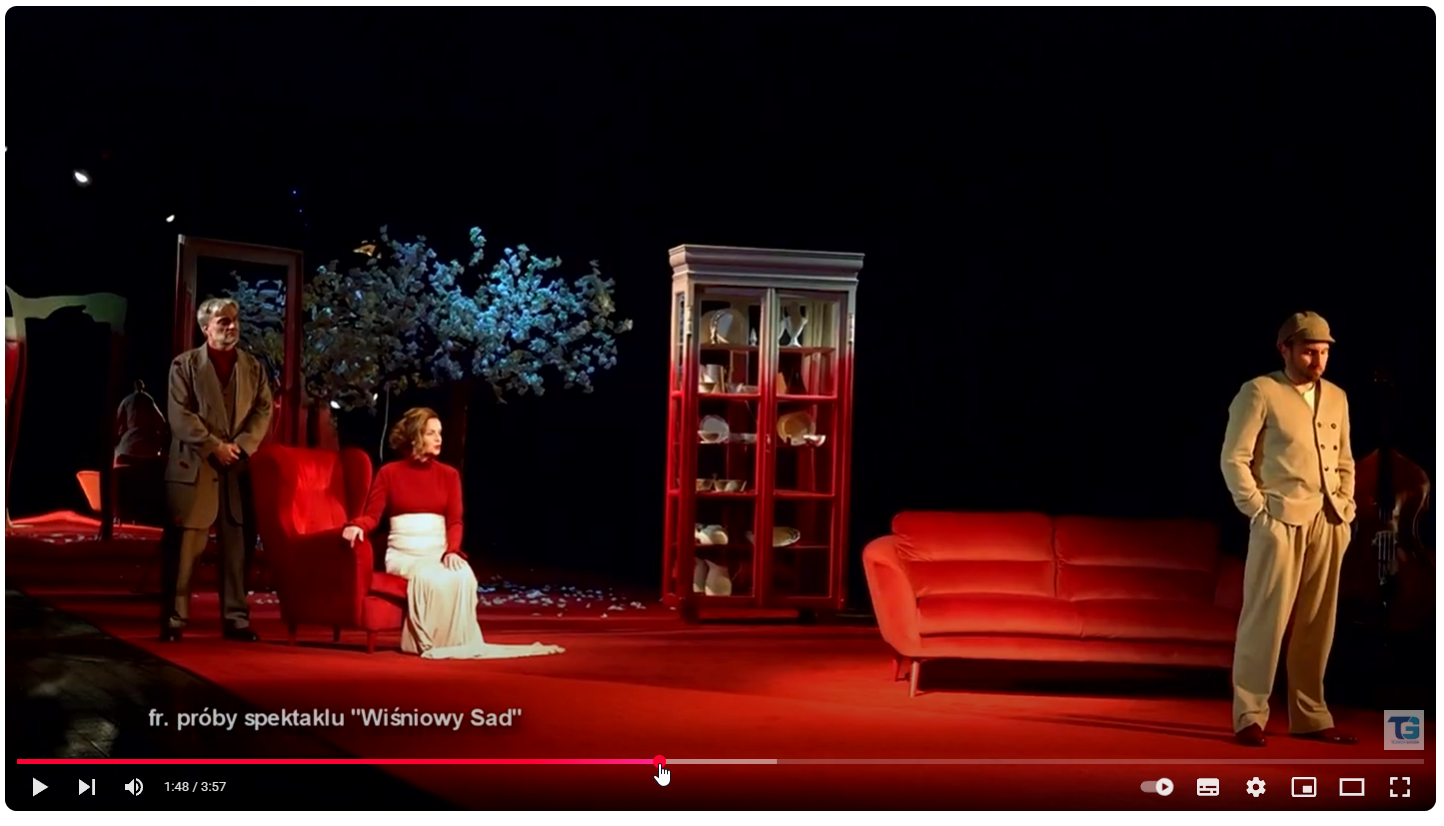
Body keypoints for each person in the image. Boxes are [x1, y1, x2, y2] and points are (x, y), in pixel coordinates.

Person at [1219, 311, 1357, 747]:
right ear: (1285, 349)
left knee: (1318, 623)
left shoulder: (1337, 397)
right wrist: (1257, 510)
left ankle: (1311, 716)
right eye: (1309, 352)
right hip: (1279, 519)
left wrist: (1346, 507)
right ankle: (1249, 715)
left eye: (1324, 352)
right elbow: (1234, 458)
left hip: (1328, 520)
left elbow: (1345, 460)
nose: (1318, 360)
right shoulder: (1260, 391)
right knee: (1264, 619)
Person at [342, 408, 564, 660]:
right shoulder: (389, 473)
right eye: (431, 433)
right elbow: (372, 516)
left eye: (440, 433)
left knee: (463, 576)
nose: (439, 439)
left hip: (437, 552)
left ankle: (454, 642)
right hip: (405, 556)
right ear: (415, 436)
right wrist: (357, 525)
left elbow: (455, 522)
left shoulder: (449, 475)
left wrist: (451, 551)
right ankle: (426, 641)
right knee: (430, 578)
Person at [159, 297, 274, 643]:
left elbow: (263, 410)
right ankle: (175, 620)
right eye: (224, 321)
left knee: (237, 547)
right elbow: (179, 415)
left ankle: (236, 619)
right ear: (205, 327)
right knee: (185, 550)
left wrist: (242, 446)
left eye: (235, 320)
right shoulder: (184, 365)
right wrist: (214, 447)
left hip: (236, 468)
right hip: (195, 466)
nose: (232, 327)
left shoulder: (252, 367)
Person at [115, 379, 168, 463]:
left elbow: (117, 421)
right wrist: (160, 441)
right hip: (149, 443)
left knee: (117, 454)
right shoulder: (149, 399)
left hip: (129, 444)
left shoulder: (126, 400)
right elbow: (162, 421)